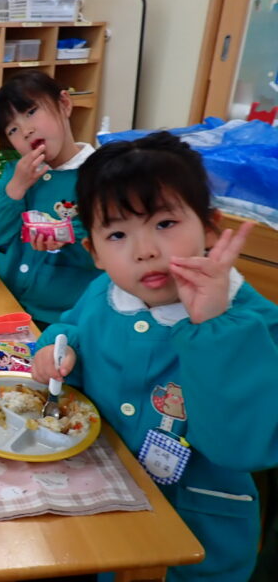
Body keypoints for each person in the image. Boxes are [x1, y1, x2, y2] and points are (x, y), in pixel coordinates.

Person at [32, 132, 278, 582]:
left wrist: (212, 326)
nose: (145, 250)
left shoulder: (252, 321)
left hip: (196, 541)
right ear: (95, 253)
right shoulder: (105, 292)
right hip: (101, 511)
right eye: (117, 234)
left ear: (209, 227)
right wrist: (56, 348)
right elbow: (74, 327)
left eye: (164, 223)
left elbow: (245, 446)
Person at [0, 71, 101, 328]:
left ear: (64, 104)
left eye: (31, 112)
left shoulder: (99, 175)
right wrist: (15, 187)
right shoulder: (17, 174)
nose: (26, 131)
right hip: (1, 300)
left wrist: (66, 238)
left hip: (59, 317)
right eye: (13, 129)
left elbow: (107, 248)